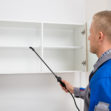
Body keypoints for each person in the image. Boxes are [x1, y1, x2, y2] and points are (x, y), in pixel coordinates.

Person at [60, 10, 111, 111]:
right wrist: (73, 90)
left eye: (91, 33)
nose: (88, 38)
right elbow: (93, 94)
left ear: (99, 36)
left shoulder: (103, 76)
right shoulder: (104, 70)